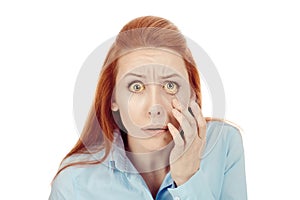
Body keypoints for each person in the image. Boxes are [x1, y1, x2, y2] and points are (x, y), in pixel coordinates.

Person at [49, 16, 247, 200]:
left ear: (192, 93)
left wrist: (188, 179)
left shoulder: (224, 144)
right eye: (136, 87)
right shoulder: (74, 183)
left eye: (170, 86)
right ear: (112, 98)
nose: (154, 108)